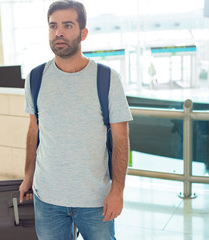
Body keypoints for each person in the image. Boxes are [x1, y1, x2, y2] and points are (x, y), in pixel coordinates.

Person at [19, 1, 132, 239]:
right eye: (53, 26)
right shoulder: (36, 78)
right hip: (47, 199)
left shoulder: (107, 78)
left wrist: (118, 191)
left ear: (83, 33)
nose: (58, 32)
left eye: (67, 25)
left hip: (95, 199)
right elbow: (34, 130)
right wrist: (27, 177)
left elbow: (121, 139)